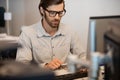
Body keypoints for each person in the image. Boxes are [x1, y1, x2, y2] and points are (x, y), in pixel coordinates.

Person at [16, 0, 86, 70]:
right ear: (42, 10)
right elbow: (21, 66)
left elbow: (82, 56)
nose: (57, 17)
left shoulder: (69, 31)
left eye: (60, 12)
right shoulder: (27, 33)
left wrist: (84, 65)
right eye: (52, 13)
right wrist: (45, 67)